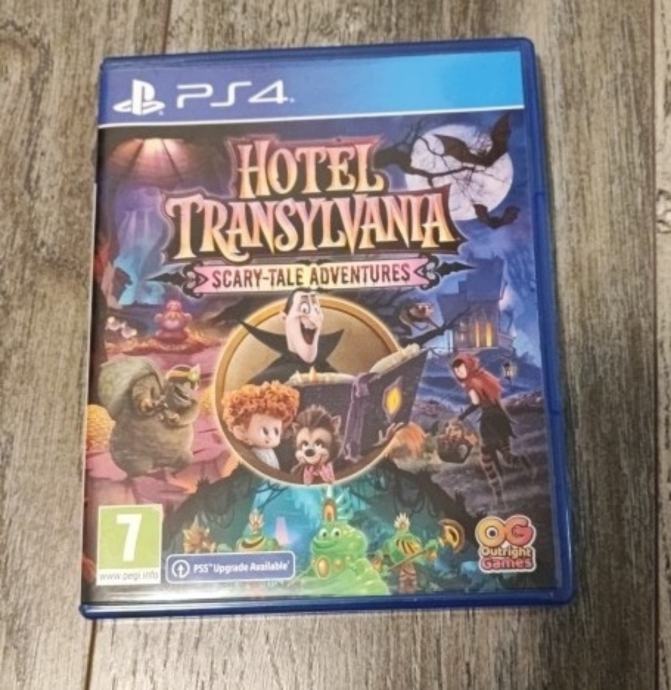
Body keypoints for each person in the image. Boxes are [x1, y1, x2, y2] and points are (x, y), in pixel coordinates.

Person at [450, 353, 529, 503]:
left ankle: (498, 495)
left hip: (489, 422)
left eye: (461, 369)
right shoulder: (483, 377)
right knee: (506, 454)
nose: (459, 373)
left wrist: (461, 417)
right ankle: (523, 462)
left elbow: (475, 403)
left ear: (468, 366)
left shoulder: (470, 384)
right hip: (501, 419)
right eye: (456, 371)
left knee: (486, 460)